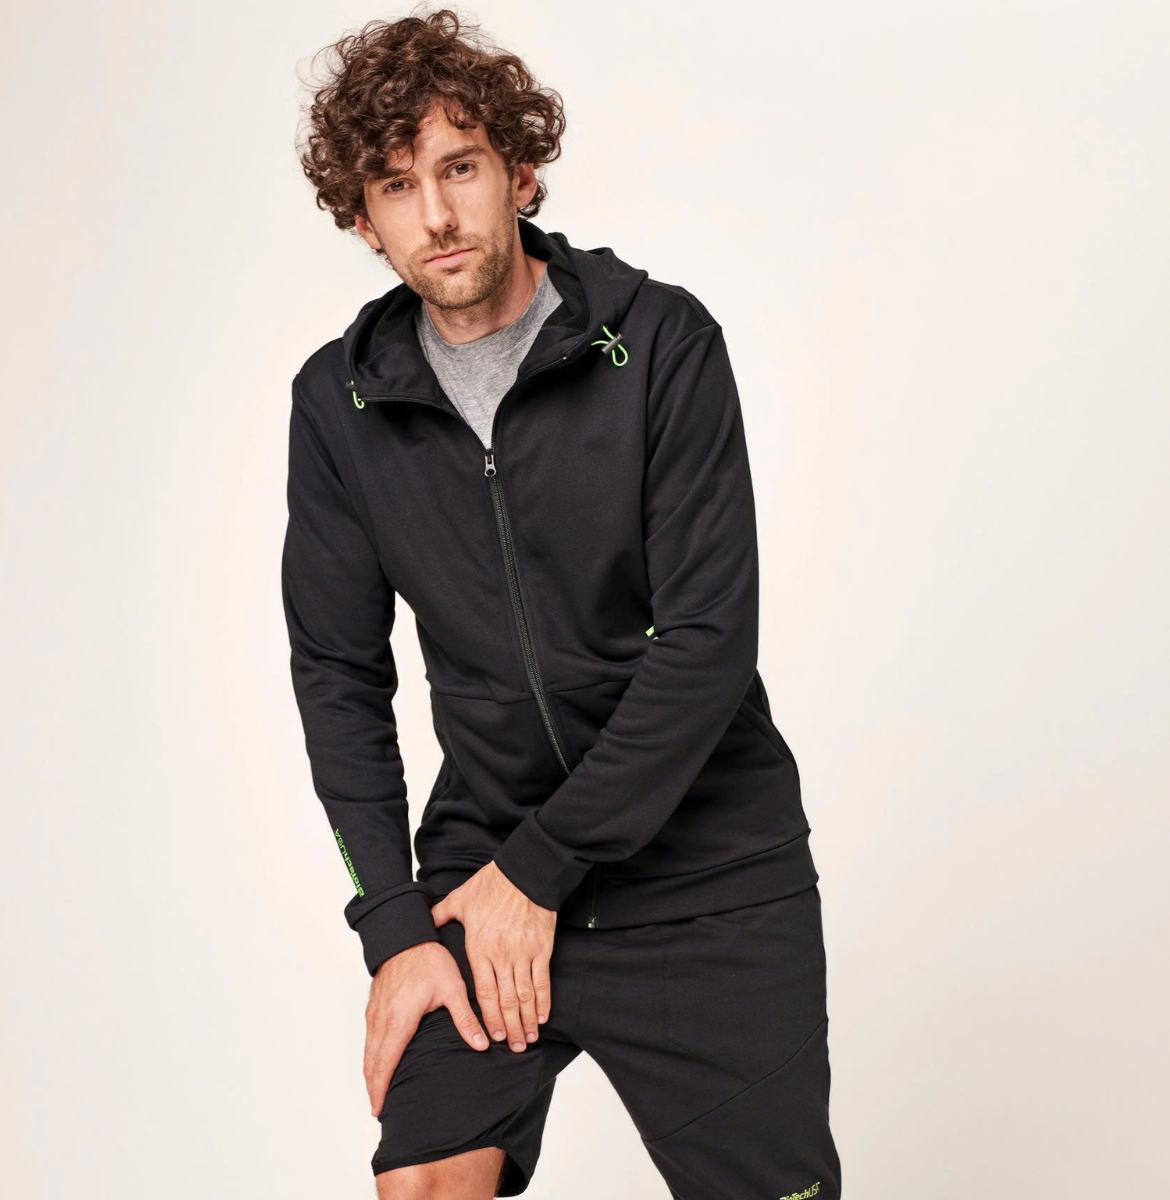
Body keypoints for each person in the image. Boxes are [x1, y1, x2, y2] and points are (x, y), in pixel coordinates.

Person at [283, 8, 841, 1198]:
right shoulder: (341, 406)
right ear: (363, 220)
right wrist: (396, 929)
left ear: (521, 173)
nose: (436, 214)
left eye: (460, 167)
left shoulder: (663, 342)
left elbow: (706, 643)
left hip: (706, 875)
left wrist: (540, 870)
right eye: (396, 186)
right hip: (483, 862)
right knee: (425, 1181)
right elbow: (338, 674)